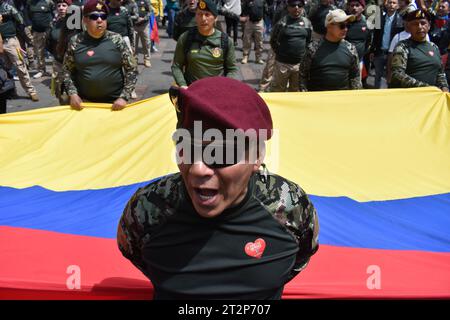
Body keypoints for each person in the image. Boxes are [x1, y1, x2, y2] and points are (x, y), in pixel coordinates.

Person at [117, 76, 320, 300]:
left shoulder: (290, 206)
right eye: (187, 149)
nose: (198, 169)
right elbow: (133, 251)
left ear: (256, 157)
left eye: (221, 153)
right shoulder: (148, 208)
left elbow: (299, 256)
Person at [62, 0, 138, 110]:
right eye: (94, 16)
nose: (99, 20)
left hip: (115, 104)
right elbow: (67, 70)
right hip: (84, 104)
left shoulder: (117, 40)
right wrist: (72, 94)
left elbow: (132, 69)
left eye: (103, 16)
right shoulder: (75, 41)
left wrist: (124, 97)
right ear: (85, 20)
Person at [171, 0, 239, 88]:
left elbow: (232, 69)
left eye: (207, 15)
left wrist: (225, 86)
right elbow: (176, 66)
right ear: (195, 17)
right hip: (192, 91)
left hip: (217, 91)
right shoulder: (186, 38)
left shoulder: (225, 41)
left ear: (215, 18)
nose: (203, 19)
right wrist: (183, 85)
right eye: (199, 14)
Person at [300, 9, 361, 91]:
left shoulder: (351, 49)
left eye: (347, 26)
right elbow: (302, 75)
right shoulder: (312, 49)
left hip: (342, 100)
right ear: (329, 26)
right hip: (317, 100)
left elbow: (355, 76)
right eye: (341, 26)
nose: (345, 29)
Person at [390, 9, 448, 90]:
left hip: (433, 98)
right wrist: (425, 88)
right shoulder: (403, 46)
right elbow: (397, 75)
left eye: (423, 23)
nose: (420, 27)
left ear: (429, 26)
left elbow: (440, 73)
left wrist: (444, 87)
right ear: (409, 27)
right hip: (412, 97)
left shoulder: (434, 47)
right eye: (415, 24)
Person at [0, 0, 39, 101]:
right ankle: (11, 91)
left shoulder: (8, 7)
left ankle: (31, 91)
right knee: (5, 69)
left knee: (20, 66)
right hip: (0, 42)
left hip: (11, 41)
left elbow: (20, 20)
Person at [269, 0, 311, 91]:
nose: (296, 8)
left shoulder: (307, 23)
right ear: (288, 7)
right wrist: (281, 54)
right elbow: (273, 40)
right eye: (293, 5)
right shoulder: (282, 23)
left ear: (302, 7)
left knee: (295, 91)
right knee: (278, 91)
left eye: (299, 5)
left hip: (299, 65)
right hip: (283, 64)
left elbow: (309, 41)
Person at [46, 0, 77, 104]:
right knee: (61, 94)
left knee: (76, 94)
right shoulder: (53, 23)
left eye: (64, 5)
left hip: (75, 64)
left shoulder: (77, 24)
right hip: (59, 63)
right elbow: (49, 42)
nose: (61, 8)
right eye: (58, 5)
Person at [370, 0, 403, 88]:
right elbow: (375, 36)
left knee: (391, 76)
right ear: (386, 4)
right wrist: (372, 50)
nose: (391, 5)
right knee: (378, 76)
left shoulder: (401, 21)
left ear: (397, 6)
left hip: (392, 54)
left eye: (394, 3)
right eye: (389, 2)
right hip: (380, 52)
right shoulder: (379, 19)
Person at [26, 0, 55, 79]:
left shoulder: (49, 2)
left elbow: (54, 13)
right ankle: (41, 71)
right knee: (39, 52)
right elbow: (28, 15)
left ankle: (56, 71)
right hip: (37, 31)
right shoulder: (30, 2)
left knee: (54, 51)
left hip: (49, 30)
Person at [134, 0, 152, 67]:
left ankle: (147, 59)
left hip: (144, 25)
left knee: (146, 42)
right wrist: (136, 18)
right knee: (134, 43)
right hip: (134, 25)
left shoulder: (146, 1)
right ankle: (134, 59)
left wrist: (144, 18)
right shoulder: (131, 1)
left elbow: (150, 11)